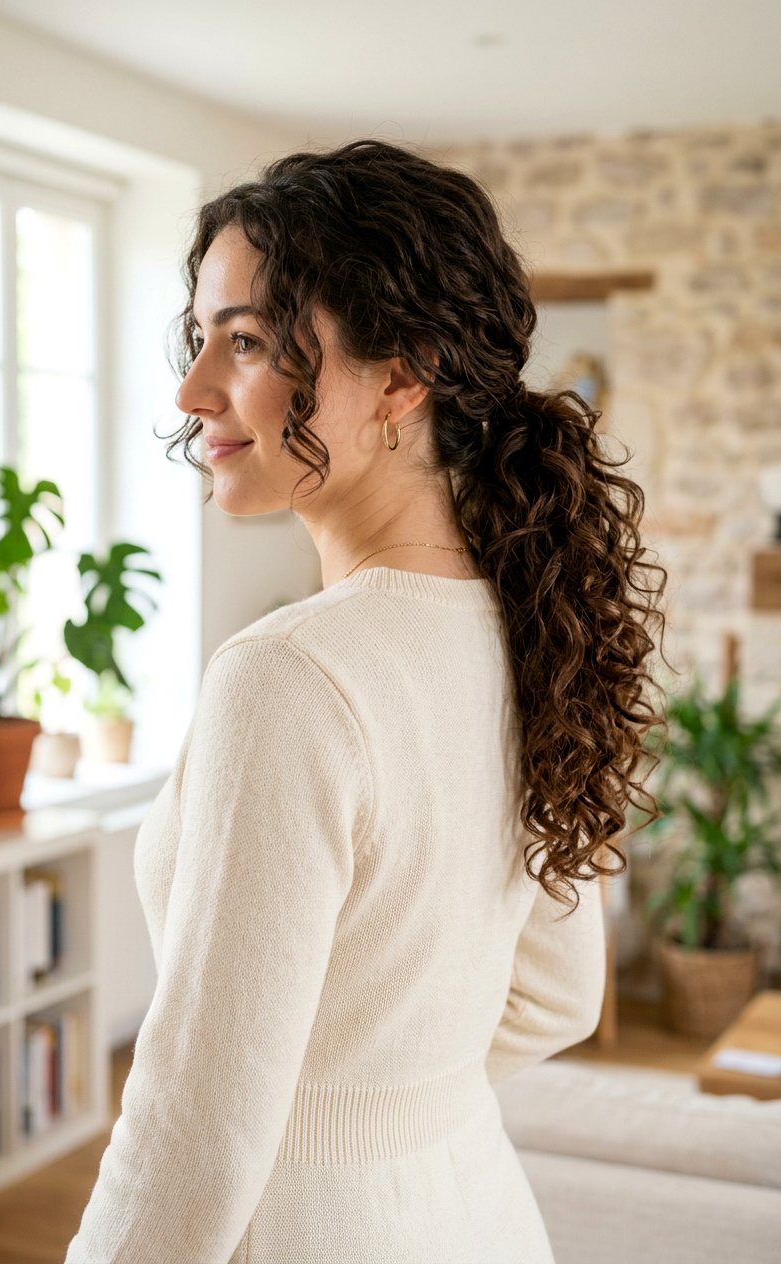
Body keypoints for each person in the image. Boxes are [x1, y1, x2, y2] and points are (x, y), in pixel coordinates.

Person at [64, 138, 669, 1263]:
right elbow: (559, 993)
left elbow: (195, 1130)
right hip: (473, 1212)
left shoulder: (286, 679)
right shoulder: (524, 631)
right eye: (199, 337)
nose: (192, 390)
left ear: (402, 375)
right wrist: (388, 1106)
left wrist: (303, 1130)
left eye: (244, 342)